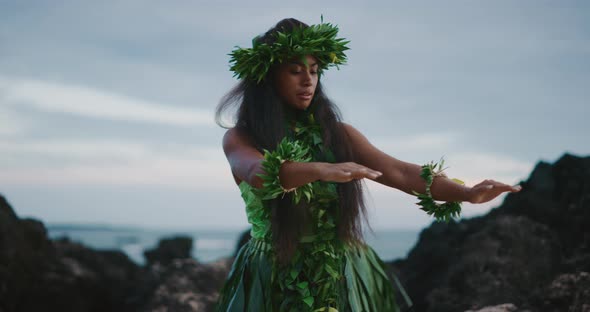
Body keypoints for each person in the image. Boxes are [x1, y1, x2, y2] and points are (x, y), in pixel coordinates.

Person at [214, 18, 521, 312]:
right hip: (273, 273)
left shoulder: (338, 134)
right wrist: (322, 169)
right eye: (295, 70)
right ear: (268, 76)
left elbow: (399, 172)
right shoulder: (241, 137)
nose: (308, 80)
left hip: (340, 270)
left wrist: (467, 193)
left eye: (314, 70)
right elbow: (258, 174)